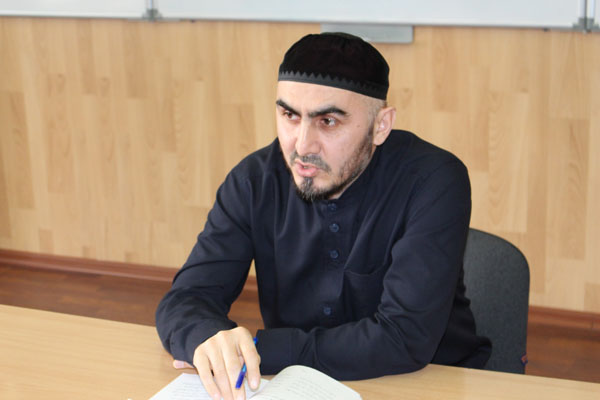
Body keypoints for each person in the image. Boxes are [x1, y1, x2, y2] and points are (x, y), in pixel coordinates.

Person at [156, 32, 491, 400]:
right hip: (295, 388)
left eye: (328, 121)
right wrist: (205, 337)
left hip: (429, 385)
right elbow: (186, 298)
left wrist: (255, 350)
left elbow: (404, 338)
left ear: (380, 125)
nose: (302, 145)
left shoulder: (433, 180)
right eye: (289, 115)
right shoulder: (253, 181)